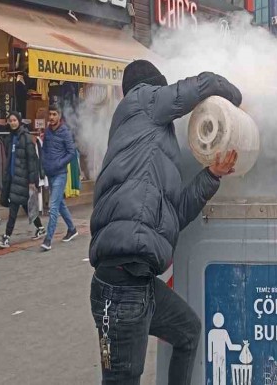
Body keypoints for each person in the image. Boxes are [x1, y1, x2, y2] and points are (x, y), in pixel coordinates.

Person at [89, 60, 241, 384]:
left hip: (139, 285)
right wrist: (236, 99)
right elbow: (203, 84)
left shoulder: (150, 144)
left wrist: (211, 176)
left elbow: (176, 214)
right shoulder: (142, 100)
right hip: (122, 286)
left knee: (188, 331)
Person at [0, 112, 45, 249]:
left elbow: (32, 161)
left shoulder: (26, 138)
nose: (12, 123)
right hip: (13, 178)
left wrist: (32, 181)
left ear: (19, 121)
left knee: (13, 209)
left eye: (14, 120)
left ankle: (6, 236)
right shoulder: (10, 138)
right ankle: (40, 227)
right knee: (26, 205)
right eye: (10, 120)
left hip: (22, 179)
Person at [41, 105, 77, 251]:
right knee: (60, 204)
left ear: (59, 116)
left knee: (53, 206)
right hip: (50, 173)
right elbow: (44, 149)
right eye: (50, 114)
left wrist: (58, 163)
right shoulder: (48, 131)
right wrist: (43, 164)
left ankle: (48, 239)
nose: (51, 117)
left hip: (60, 174)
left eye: (54, 114)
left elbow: (72, 153)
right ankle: (72, 229)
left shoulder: (65, 132)